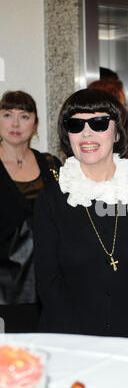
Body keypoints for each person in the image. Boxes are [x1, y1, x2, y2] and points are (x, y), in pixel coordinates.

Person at [33, 88, 128, 338]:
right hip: (71, 341)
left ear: (118, 132)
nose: (86, 133)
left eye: (99, 123)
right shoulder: (52, 200)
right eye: (76, 125)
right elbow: (48, 284)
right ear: (68, 135)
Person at [0, 90, 61, 332]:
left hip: (50, 287)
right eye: (7, 114)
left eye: (24, 116)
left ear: (35, 124)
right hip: (5, 291)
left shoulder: (51, 164)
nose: (15, 123)